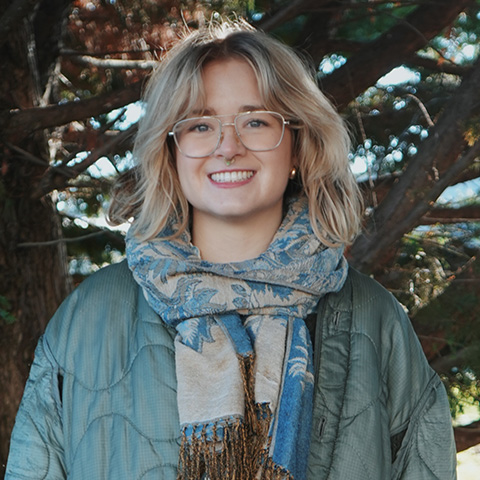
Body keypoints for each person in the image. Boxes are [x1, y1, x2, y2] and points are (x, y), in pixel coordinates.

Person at [6, 19, 456, 480]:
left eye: (256, 121)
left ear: (298, 146)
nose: (228, 147)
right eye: (200, 125)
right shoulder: (90, 315)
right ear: (171, 149)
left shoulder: (373, 317)